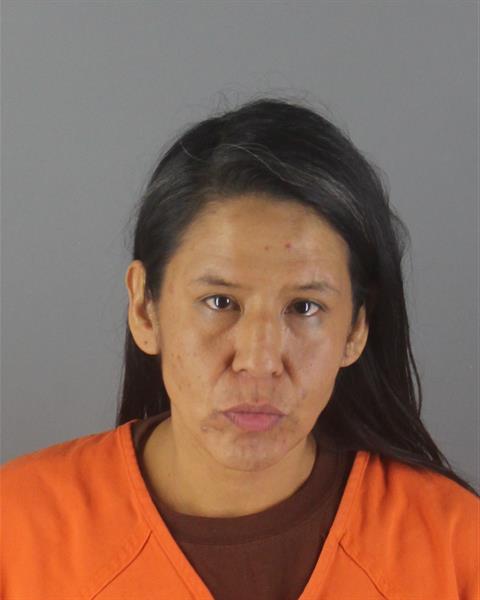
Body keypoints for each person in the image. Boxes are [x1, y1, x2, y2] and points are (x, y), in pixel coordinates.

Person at [1, 97, 478, 600]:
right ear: (144, 308)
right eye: (220, 301)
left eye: (305, 307)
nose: (259, 361)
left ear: (356, 328)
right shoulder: (16, 530)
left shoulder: (455, 549)